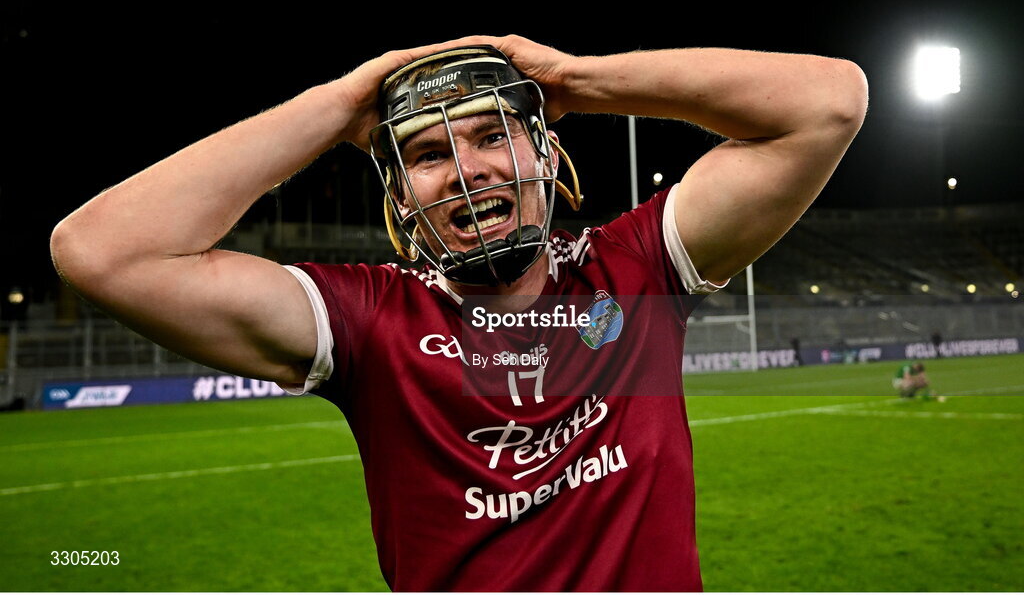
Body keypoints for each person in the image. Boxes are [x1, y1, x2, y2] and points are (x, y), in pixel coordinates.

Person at [50, 35, 867, 591]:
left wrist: (576, 81)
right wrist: (340, 105)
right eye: (428, 154)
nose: (467, 171)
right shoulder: (367, 320)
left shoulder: (637, 271)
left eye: (491, 137)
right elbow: (100, 251)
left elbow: (829, 100)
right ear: (399, 195)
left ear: (544, 153)